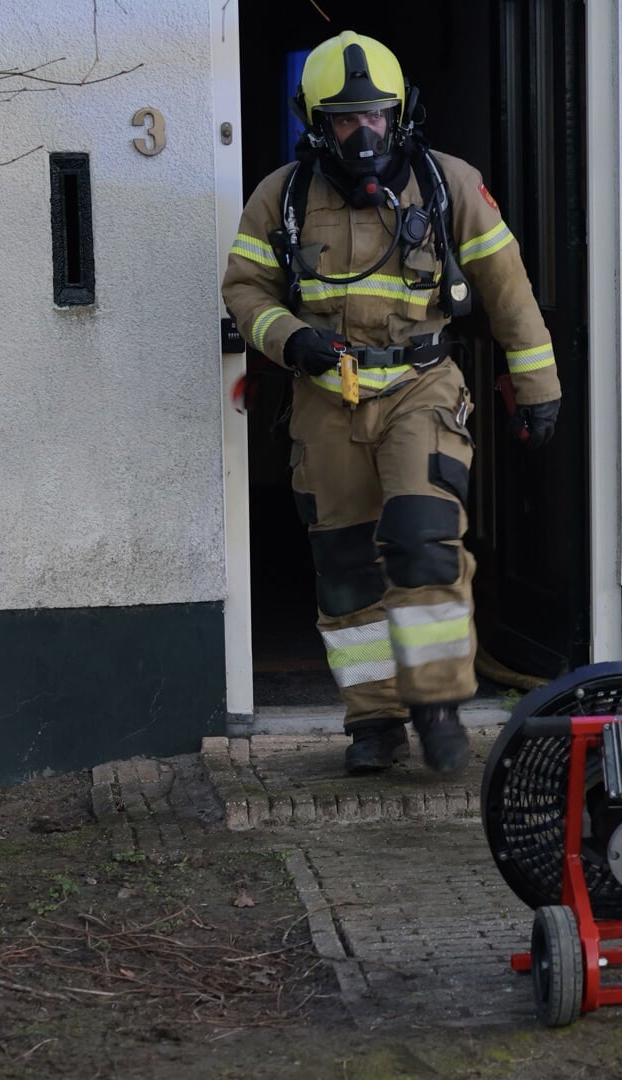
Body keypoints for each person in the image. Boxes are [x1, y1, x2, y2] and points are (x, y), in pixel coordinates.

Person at [222, 30, 561, 775]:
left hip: (421, 386)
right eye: (345, 118)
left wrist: (537, 384)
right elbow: (245, 290)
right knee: (345, 567)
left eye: (376, 114)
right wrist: (288, 340)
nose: (364, 130)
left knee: (422, 537)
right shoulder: (279, 198)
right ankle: (373, 720)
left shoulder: (450, 185)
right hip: (325, 398)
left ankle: (438, 704)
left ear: (400, 112)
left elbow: (508, 288)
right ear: (315, 120)